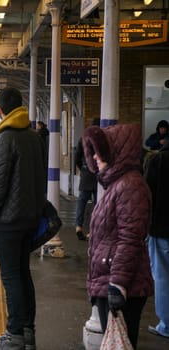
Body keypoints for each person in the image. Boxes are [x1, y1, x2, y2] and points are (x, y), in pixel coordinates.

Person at [0, 87, 46, 350]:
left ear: (0, 110)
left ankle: (14, 336)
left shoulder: (4, 139)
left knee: (12, 277)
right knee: (23, 275)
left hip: (8, 222)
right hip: (29, 219)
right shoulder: (34, 137)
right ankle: (27, 332)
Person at [82, 124, 154, 349]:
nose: (94, 156)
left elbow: (130, 237)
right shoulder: (118, 184)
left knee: (120, 343)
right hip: (111, 279)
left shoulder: (129, 185)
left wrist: (117, 284)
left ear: (114, 152)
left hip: (122, 285)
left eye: (99, 151)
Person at [144, 139, 169, 339]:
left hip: (161, 228)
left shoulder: (158, 161)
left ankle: (166, 324)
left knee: (162, 277)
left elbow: (148, 195)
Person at [74, 118, 100, 241]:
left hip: (86, 173)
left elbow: (76, 158)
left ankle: (78, 227)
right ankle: (93, 229)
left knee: (82, 202)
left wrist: (83, 169)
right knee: (97, 204)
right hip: (99, 175)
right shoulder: (103, 141)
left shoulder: (83, 140)